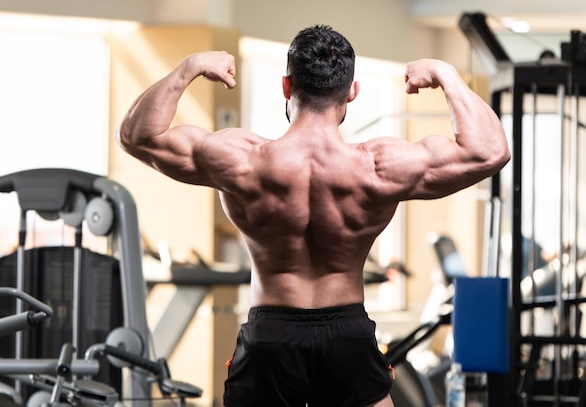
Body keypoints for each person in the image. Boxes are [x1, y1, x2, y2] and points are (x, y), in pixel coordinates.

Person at [117, 24, 510, 407]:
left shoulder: (242, 161)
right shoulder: (380, 166)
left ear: (287, 87)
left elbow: (138, 135)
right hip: (348, 337)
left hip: (270, 336)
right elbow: (490, 151)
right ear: (352, 92)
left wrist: (189, 67)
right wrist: (446, 75)